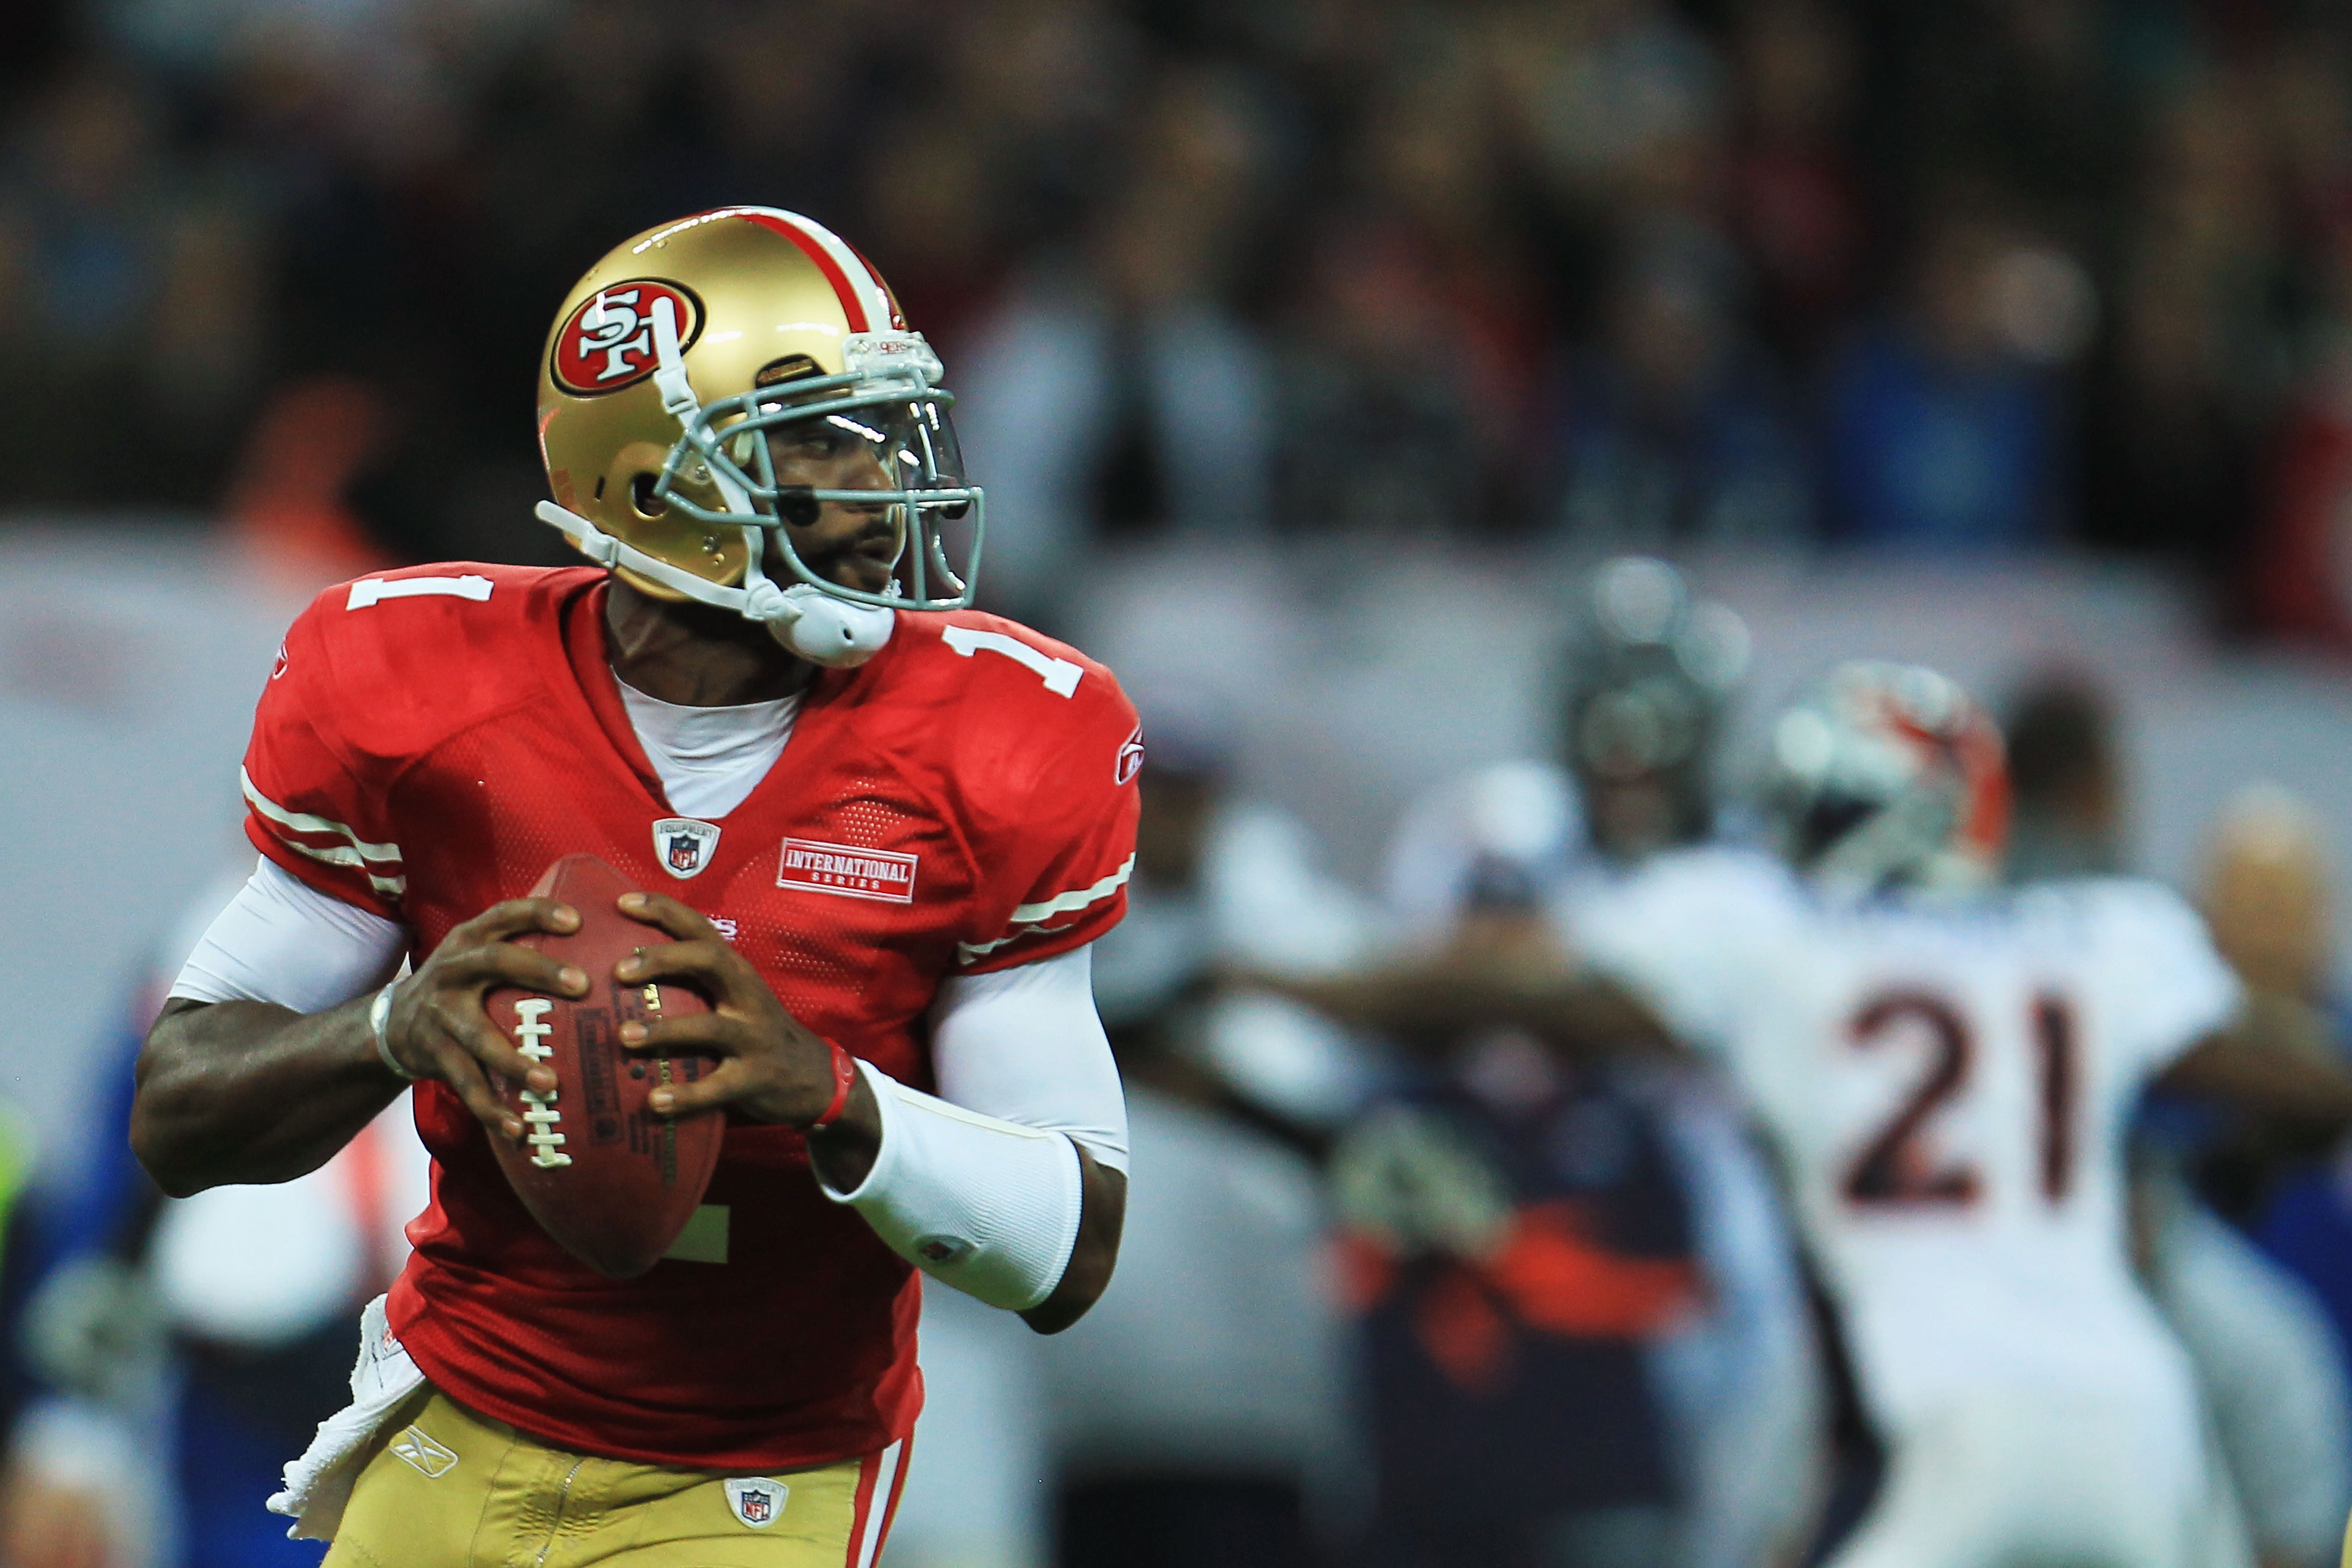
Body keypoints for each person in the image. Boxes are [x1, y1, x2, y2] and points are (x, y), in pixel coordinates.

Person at [127, 207, 1141, 1568]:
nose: (885, 481)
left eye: (889, 426)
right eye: (820, 435)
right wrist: (390, 1028)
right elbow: (179, 1117)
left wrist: (827, 1094)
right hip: (455, 1414)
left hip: (760, 1473)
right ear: (657, 478)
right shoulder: (419, 688)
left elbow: (1068, 1251)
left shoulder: (1001, 738)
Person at [1568, 662, 2352, 1568]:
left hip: (1937, 1402)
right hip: (2132, 1401)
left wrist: (1366, 990)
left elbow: (1554, 991)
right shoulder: (2095, 932)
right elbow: (2271, 1070)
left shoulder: (1780, 941)